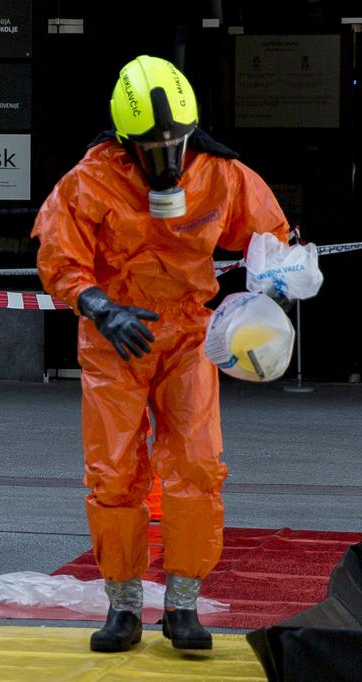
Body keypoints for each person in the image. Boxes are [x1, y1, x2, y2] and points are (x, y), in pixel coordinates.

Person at [31, 55, 290, 653]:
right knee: (113, 470)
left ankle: (182, 604)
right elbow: (58, 257)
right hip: (114, 337)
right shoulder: (89, 180)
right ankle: (122, 604)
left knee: (197, 466)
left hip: (188, 336)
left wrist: (274, 286)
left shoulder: (221, 174)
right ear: (124, 139)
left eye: (175, 143)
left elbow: (272, 237)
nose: (165, 159)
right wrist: (99, 306)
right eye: (150, 146)